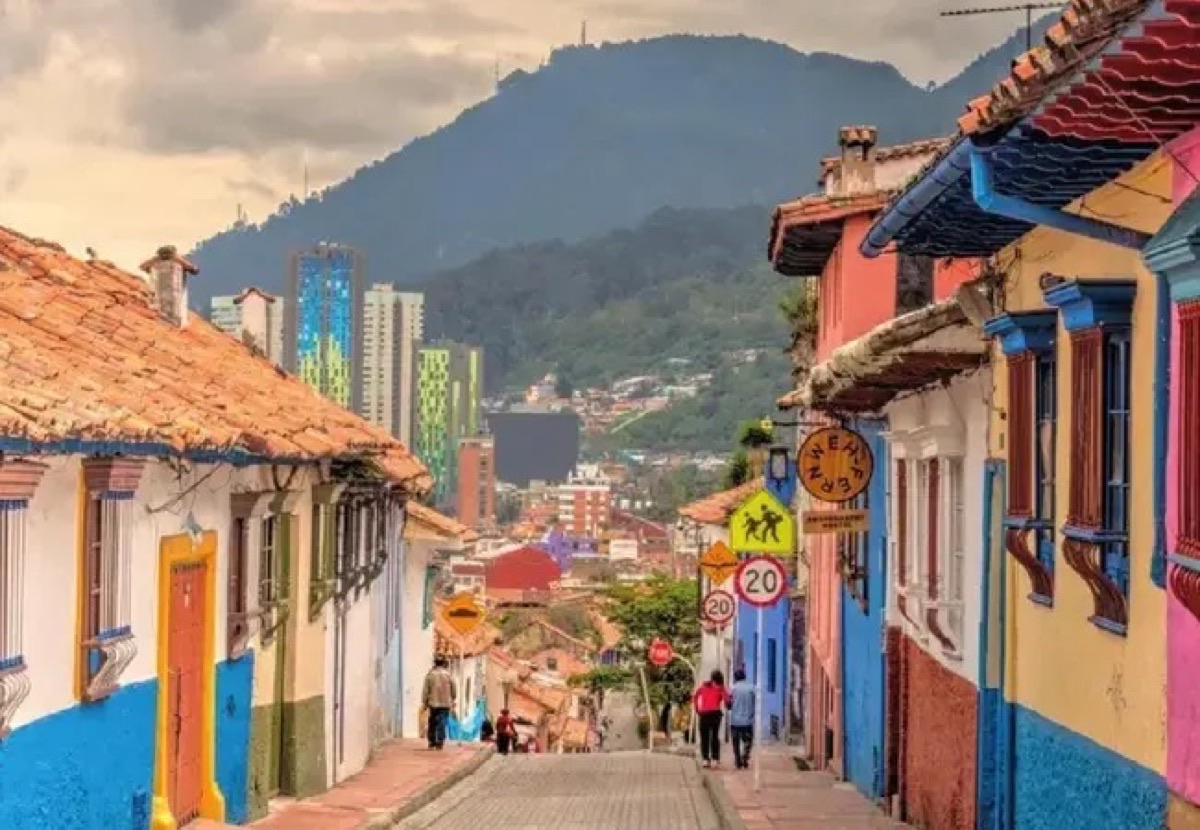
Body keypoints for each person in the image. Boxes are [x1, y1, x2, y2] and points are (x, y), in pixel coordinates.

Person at [693, 670, 731, 768]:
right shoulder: (721, 688)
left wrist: (697, 710)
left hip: (704, 714)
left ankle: (705, 759)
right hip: (715, 715)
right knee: (714, 737)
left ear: (711, 678)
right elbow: (727, 701)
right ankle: (715, 759)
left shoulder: (703, 686)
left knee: (704, 737)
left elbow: (695, 697)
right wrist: (728, 703)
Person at [422, 655, 456, 750]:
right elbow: (454, 688)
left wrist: (424, 702)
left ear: (435, 663)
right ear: (443, 663)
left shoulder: (430, 675)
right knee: (442, 722)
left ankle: (432, 741)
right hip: (445, 703)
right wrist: (453, 697)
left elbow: (425, 690)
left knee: (432, 722)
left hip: (433, 702)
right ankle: (440, 742)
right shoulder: (448, 675)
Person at [728, 668, 755, 769]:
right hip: (747, 720)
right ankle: (745, 757)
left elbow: (728, 704)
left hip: (735, 721)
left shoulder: (732, 689)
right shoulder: (751, 687)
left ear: (735, 678)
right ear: (744, 677)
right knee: (748, 741)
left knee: (736, 743)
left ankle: (738, 761)